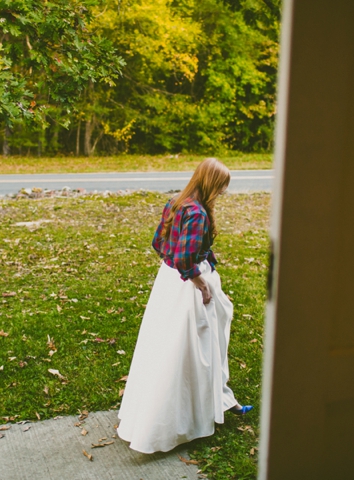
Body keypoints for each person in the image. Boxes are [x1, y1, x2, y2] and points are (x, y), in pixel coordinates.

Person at [117, 158, 252, 454]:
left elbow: (158, 243)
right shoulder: (197, 213)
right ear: (210, 183)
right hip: (189, 287)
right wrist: (202, 284)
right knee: (195, 348)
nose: (223, 193)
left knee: (170, 346)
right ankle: (183, 417)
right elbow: (184, 259)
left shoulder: (176, 203)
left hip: (168, 284)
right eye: (221, 188)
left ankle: (219, 400)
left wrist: (181, 264)